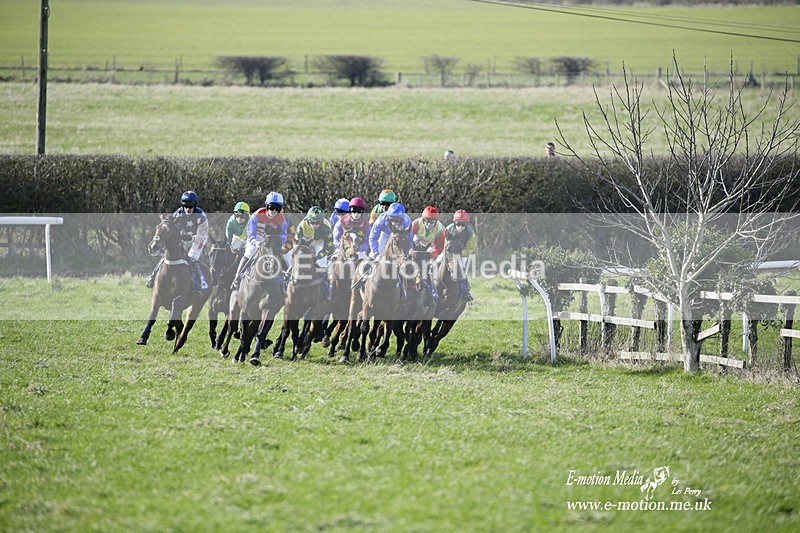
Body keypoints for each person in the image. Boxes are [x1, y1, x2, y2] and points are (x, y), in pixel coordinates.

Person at [145, 190, 209, 290]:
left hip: (197, 241)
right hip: (183, 239)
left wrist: (191, 238)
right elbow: (169, 221)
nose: (187, 209)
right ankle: (153, 277)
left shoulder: (201, 217)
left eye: (190, 206)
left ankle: (198, 283)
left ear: (195, 206)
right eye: (185, 206)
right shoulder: (179, 212)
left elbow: (203, 236)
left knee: (192, 258)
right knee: (167, 256)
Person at [231, 191, 288, 291]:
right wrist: (256, 243)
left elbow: (283, 234)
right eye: (271, 207)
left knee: (281, 257)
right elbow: (250, 233)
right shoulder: (257, 215)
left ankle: (283, 284)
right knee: (249, 253)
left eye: (277, 208)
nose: (274, 211)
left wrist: (281, 245)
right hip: (257, 238)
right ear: (266, 206)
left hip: (271, 241)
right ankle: (236, 279)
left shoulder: (281, 219)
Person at [294, 206, 335, 300]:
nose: (314, 225)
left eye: (317, 223)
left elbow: (327, 247)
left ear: (322, 221)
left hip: (319, 241)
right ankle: (290, 279)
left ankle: (326, 286)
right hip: (305, 241)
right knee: (296, 257)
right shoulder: (302, 225)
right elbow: (296, 240)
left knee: (322, 262)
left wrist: (316, 257)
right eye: (312, 222)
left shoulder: (326, 227)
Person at [441, 209, 476, 302]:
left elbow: (471, 247)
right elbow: (444, 243)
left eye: (463, 225)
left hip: (462, 253)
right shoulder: (448, 229)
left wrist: (460, 254)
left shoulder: (470, 233)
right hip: (448, 251)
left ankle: (465, 292)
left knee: (461, 269)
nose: (460, 227)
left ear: (466, 224)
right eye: (458, 224)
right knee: (436, 262)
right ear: (454, 223)